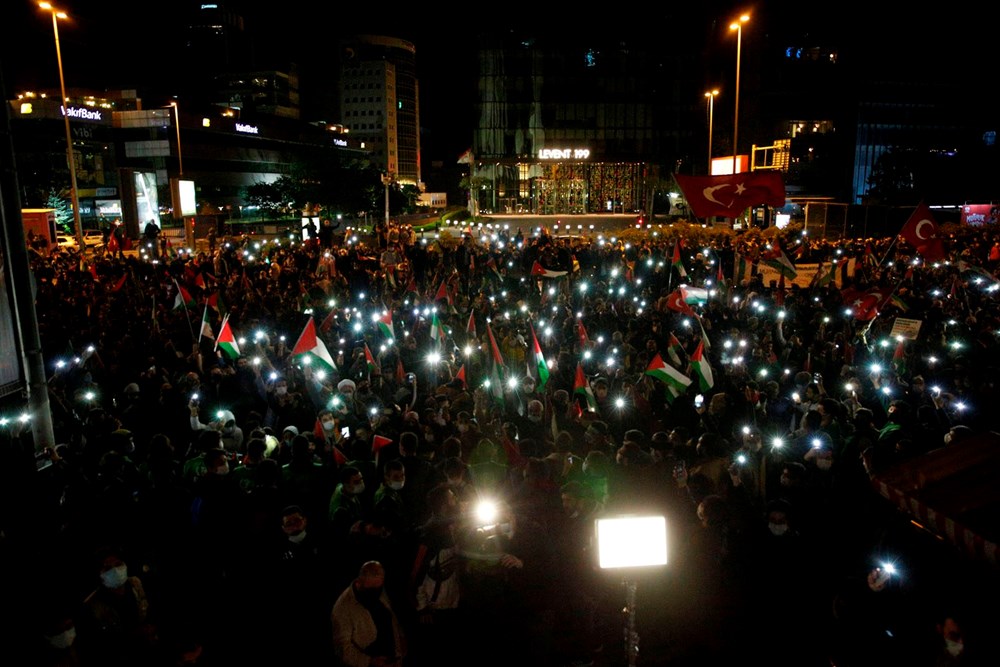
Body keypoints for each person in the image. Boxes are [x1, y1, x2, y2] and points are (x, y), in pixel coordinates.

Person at [331, 560, 406, 667]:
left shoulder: (377, 588)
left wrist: (400, 636)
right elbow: (343, 649)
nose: (376, 593)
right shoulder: (343, 608)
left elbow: (390, 614)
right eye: (371, 590)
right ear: (359, 583)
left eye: (379, 588)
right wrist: (370, 661)